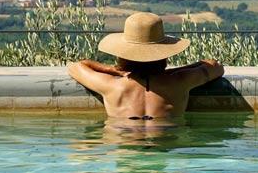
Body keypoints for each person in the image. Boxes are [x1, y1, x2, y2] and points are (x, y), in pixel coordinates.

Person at [67, 11, 225, 121]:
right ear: (163, 54)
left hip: (126, 147)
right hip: (164, 146)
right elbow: (215, 66)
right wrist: (175, 72)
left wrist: (110, 69)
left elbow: (76, 66)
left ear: (123, 56)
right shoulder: (180, 81)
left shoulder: (112, 85)